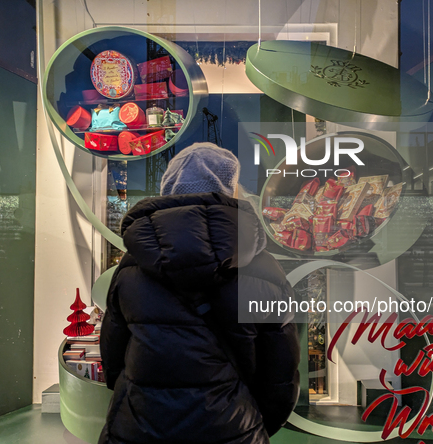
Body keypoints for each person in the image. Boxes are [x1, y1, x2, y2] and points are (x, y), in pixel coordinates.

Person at [99, 143, 300, 444]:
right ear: (230, 191)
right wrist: (250, 423)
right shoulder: (262, 269)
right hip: (231, 429)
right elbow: (279, 376)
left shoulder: (131, 267)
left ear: (168, 190)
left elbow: (113, 359)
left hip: (139, 427)